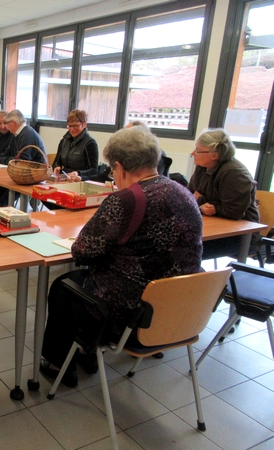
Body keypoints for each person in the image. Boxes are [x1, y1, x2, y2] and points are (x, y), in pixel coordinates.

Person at [40, 126, 203, 387]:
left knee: (64, 286)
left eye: (112, 170)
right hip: (180, 309)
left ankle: (59, 364)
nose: (113, 176)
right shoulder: (184, 193)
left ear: (120, 167)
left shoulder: (126, 200)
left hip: (132, 313)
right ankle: (86, 352)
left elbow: (82, 251)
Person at [188, 128, 260, 259]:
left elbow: (234, 211)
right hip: (216, 226)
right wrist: (205, 203)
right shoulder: (203, 167)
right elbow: (188, 195)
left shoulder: (234, 174)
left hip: (239, 236)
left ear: (214, 155)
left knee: (186, 251)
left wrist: (204, 202)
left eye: (198, 150)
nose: (193, 153)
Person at [0, 109, 47, 215]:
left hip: (30, 177)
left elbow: (22, 162)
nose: (6, 126)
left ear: (13, 123)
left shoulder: (27, 134)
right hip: (19, 175)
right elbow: (8, 153)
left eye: (7, 123)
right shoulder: (17, 134)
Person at [52, 109, 98, 182]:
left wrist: (78, 173)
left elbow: (94, 170)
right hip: (65, 179)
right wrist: (57, 167)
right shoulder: (64, 141)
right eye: (69, 126)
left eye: (75, 126)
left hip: (79, 181)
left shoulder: (90, 143)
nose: (72, 129)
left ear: (84, 124)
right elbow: (57, 161)